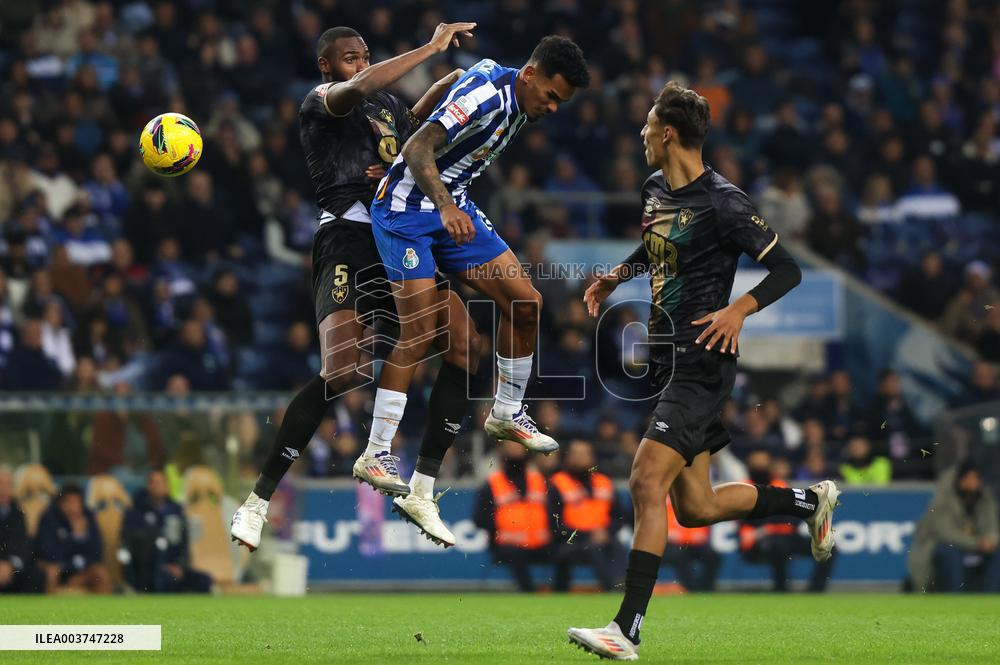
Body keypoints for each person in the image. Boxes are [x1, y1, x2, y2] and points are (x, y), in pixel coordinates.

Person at [567, 82, 840, 660]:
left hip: (704, 361)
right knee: (697, 508)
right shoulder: (655, 189)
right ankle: (808, 503)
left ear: (668, 132)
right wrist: (617, 274)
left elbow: (786, 270)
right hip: (669, 361)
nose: (639, 134)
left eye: (646, 125)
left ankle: (626, 629)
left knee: (645, 480)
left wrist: (740, 309)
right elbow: (657, 247)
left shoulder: (725, 202)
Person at [231, 21, 484, 551]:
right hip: (346, 236)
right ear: (327, 66)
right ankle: (257, 502)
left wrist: (457, 80)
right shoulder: (321, 100)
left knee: (465, 345)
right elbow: (361, 87)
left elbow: (418, 127)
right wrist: (430, 47)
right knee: (343, 370)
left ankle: (422, 487)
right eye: (351, 57)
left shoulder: (388, 107)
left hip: (397, 235)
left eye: (365, 54)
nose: (361, 64)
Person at [359, 36, 592, 513]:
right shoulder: (488, 97)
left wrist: (410, 140)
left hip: (453, 205)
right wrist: (419, 178)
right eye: (550, 95)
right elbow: (421, 148)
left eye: (560, 103)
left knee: (526, 303)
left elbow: (449, 81)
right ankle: (375, 452)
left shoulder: (499, 78)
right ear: (530, 74)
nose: (551, 107)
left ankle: (506, 411)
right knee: (420, 331)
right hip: (408, 211)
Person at [737, 450, 834, 592]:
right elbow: (747, 519)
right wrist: (771, 524)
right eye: (756, 464)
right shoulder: (743, 487)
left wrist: (771, 525)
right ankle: (781, 588)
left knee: (827, 547)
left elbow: (793, 516)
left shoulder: (780, 484)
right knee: (777, 545)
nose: (760, 467)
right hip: (758, 539)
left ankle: (815, 590)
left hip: (785, 535)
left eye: (763, 463)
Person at [909, 461, 1000, 592]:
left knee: (996, 554)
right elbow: (946, 533)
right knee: (950, 554)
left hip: (977, 545)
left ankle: (990, 597)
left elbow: (992, 525)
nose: (972, 482)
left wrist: (991, 540)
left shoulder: (984, 498)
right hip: (942, 545)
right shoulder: (943, 498)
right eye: (969, 477)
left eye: (975, 478)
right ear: (960, 479)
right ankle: (955, 596)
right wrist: (977, 543)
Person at [548, 439, 627, 592]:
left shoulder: (604, 482)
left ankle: (623, 586)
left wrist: (606, 532)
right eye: (576, 454)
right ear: (567, 458)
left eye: (585, 454)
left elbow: (619, 517)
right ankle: (611, 589)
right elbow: (554, 525)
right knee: (593, 548)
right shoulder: (557, 483)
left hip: (603, 537)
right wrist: (587, 535)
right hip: (569, 542)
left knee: (617, 546)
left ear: (593, 458)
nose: (581, 458)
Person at [473, 441, 552, 592]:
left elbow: (555, 513)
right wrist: (500, 530)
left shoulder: (540, 481)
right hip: (507, 545)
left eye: (518, 446)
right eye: (510, 447)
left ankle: (560, 594)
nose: (515, 450)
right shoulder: (493, 483)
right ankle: (529, 594)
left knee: (564, 551)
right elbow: (479, 518)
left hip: (541, 544)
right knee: (516, 554)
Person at [121, 469, 213, 593]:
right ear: (148, 486)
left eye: (161, 483)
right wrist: (162, 565)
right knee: (163, 580)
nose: (158, 487)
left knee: (204, 580)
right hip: (151, 570)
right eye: (154, 483)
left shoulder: (177, 510)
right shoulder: (137, 512)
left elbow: (184, 543)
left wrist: (180, 565)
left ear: (167, 487)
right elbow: (133, 543)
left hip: (176, 567)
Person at [34, 485, 112, 594]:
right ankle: (49, 609)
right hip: (58, 568)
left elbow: (97, 550)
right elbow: (48, 552)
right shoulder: (49, 518)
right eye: (69, 502)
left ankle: (103, 609)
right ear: (61, 503)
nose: (73, 507)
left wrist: (81, 575)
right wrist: (73, 536)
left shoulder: (88, 517)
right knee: (51, 573)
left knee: (101, 574)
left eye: (77, 503)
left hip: (84, 569)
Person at [0, 466, 45, 593]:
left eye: (8, 485)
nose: (3, 489)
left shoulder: (18, 512)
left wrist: (10, 564)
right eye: (0, 484)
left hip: (10, 567)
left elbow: (21, 543)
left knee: (36, 575)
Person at [662, 497, 719, 592]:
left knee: (712, 556)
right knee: (679, 555)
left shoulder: (693, 501)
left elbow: (701, 528)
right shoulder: (664, 501)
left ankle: (706, 588)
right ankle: (691, 588)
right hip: (670, 544)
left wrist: (697, 535)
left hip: (691, 543)